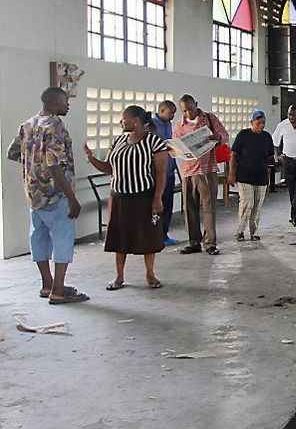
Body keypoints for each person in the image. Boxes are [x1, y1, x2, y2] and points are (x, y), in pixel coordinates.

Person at [5, 87, 89, 304]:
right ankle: (59, 291)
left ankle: (47, 284)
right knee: (62, 238)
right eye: (64, 102)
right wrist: (71, 197)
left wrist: (34, 168)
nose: (67, 105)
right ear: (52, 104)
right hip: (55, 195)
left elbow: (13, 153)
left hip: (33, 194)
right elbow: (55, 165)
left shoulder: (27, 124)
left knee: (39, 237)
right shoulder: (55, 126)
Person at [84, 106, 170, 290]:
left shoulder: (154, 142)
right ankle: (119, 276)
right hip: (120, 197)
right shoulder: (118, 141)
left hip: (144, 198)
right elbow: (109, 168)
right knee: (119, 238)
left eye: (124, 119)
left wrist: (157, 198)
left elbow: (161, 173)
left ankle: (150, 274)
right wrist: (91, 158)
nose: (121, 122)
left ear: (136, 121)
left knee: (147, 237)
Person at [173, 94, 228, 255]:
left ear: (196, 104)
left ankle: (210, 243)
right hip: (189, 172)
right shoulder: (179, 125)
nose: (187, 113)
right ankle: (194, 242)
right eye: (184, 111)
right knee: (190, 207)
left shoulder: (209, 119)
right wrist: (174, 149)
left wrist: (217, 137)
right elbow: (176, 146)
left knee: (209, 208)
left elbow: (224, 136)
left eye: (190, 109)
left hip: (207, 170)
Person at [228, 110, 275, 240]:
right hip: (244, 176)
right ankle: (240, 230)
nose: (261, 125)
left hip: (261, 176)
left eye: (263, 123)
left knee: (257, 205)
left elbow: (270, 157)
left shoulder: (266, 137)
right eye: (258, 122)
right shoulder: (243, 135)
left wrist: (269, 176)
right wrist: (231, 174)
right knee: (247, 203)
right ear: (252, 122)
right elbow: (234, 155)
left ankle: (254, 231)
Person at [150, 100, 179, 245]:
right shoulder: (151, 125)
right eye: (170, 113)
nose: (173, 116)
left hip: (169, 172)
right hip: (157, 174)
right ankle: (154, 236)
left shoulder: (168, 124)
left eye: (174, 113)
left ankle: (164, 235)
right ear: (161, 111)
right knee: (157, 206)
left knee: (167, 206)